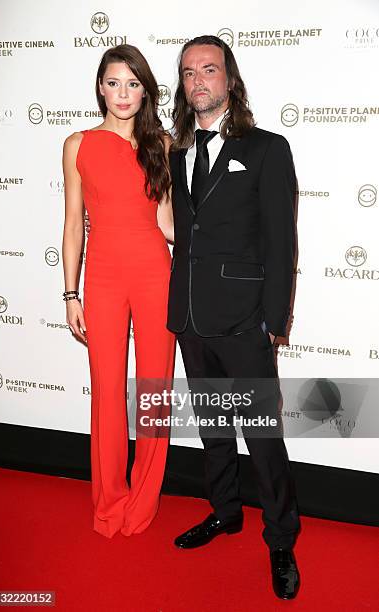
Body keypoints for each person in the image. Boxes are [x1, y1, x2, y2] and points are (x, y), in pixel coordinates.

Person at [167, 35, 301, 600]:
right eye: (189, 72)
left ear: (229, 79)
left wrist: (275, 321)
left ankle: (280, 540)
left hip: (246, 320)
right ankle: (225, 512)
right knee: (214, 428)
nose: (199, 80)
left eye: (210, 70)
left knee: (262, 436)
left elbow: (280, 241)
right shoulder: (176, 152)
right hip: (191, 318)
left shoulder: (268, 149)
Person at [62, 44, 175, 539]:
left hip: (157, 273)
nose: (123, 93)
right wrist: (71, 295)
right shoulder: (78, 144)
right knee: (107, 391)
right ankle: (109, 501)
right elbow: (72, 226)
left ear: (145, 89)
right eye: (113, 82)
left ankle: (144, 497)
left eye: (133, 83)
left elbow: (170, 223)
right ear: (100, 87)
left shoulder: (164, 145)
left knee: (154, 390)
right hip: (103, 278)